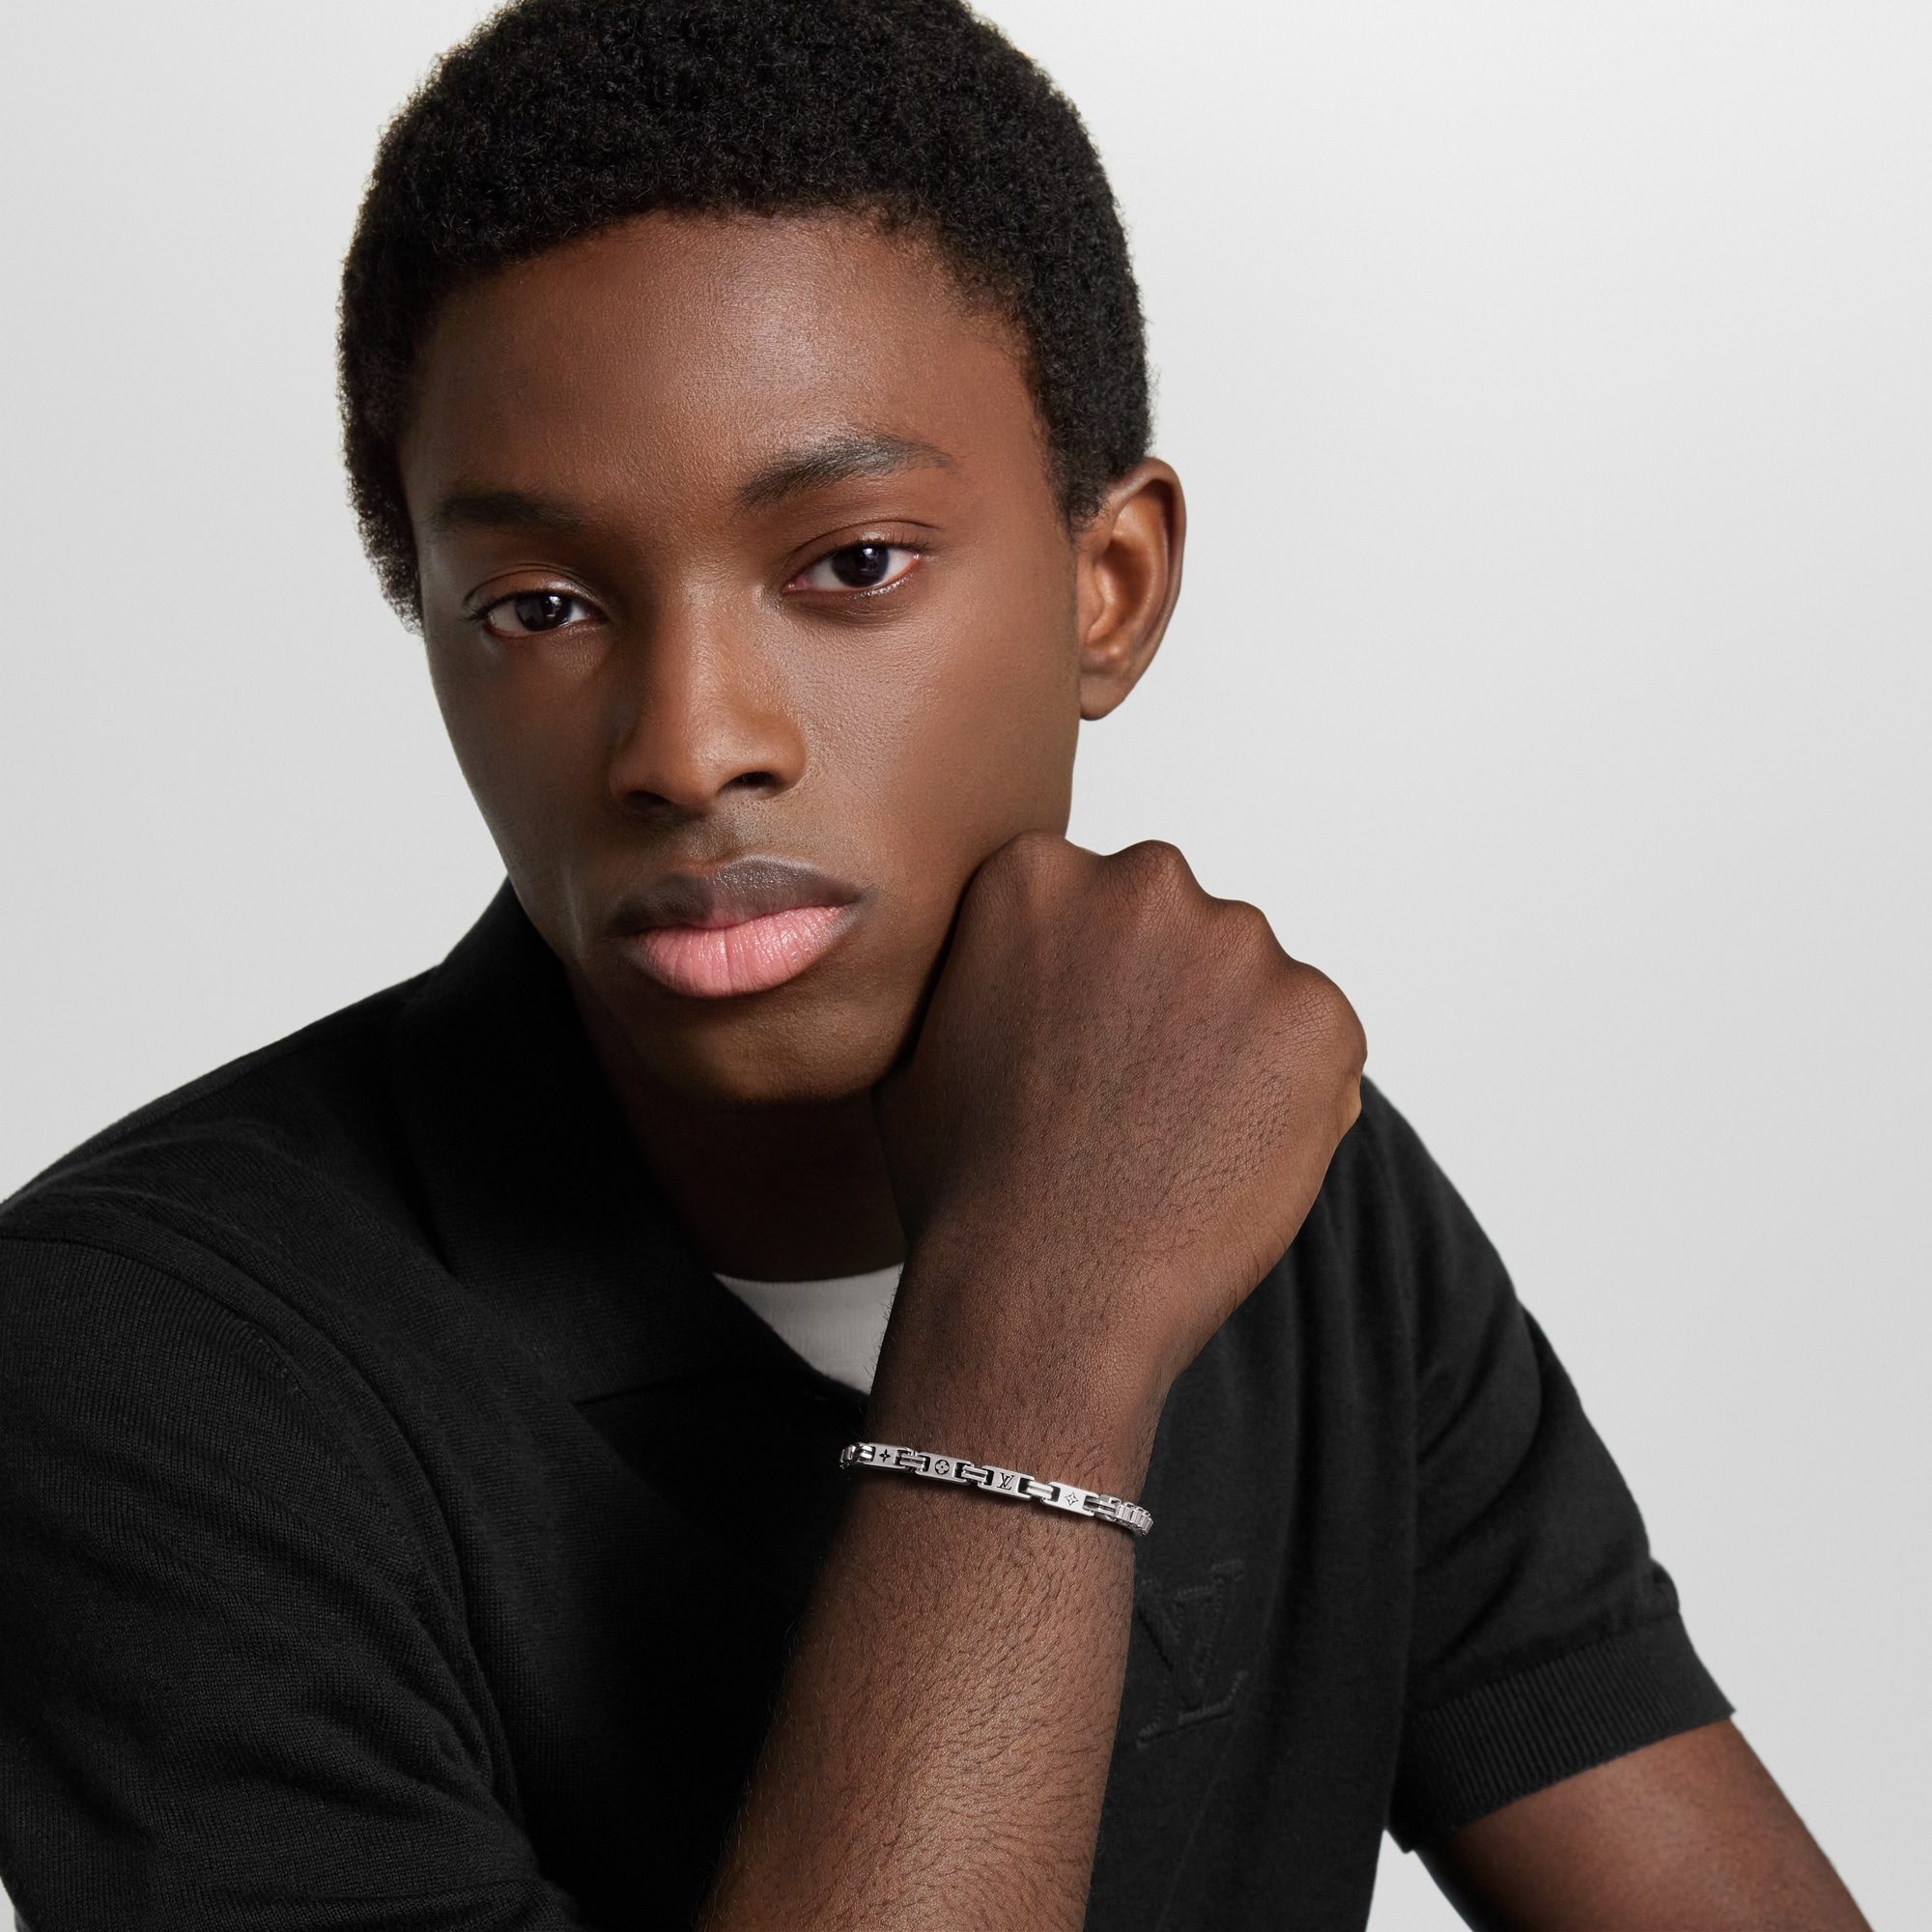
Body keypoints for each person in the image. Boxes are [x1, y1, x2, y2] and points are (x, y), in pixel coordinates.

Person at [0, 2, 1870, 1927]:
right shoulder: (145, 1365)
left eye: (851, 564)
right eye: (540, 605)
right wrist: (1046, 1328)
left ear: (1108, 589)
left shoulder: (1276, 1176)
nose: (688, 744)